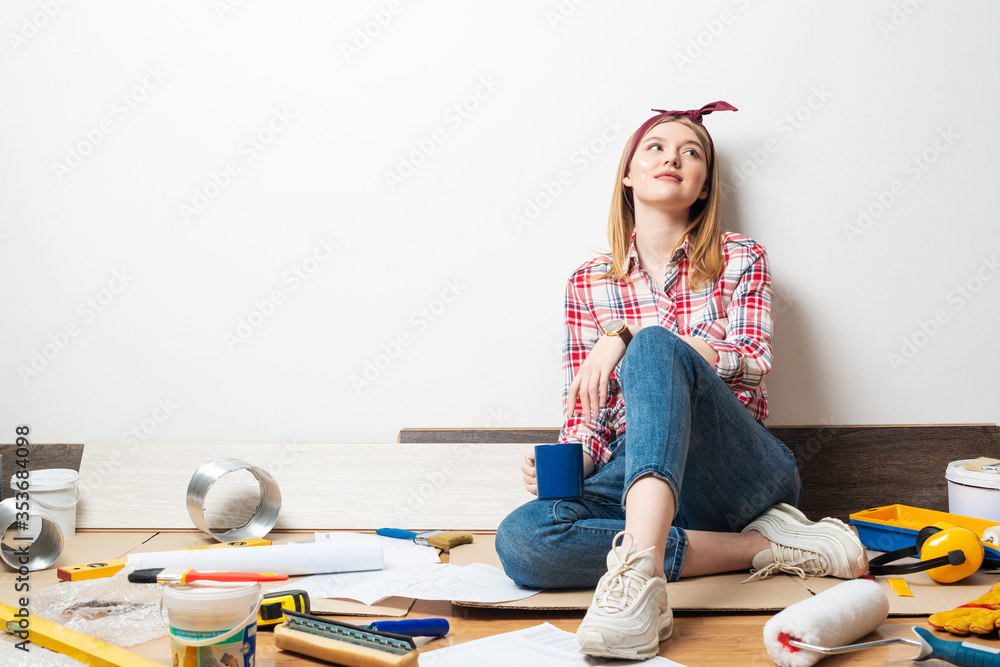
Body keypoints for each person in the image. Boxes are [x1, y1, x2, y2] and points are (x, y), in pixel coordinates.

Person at [494, 102, 868, 661]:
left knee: (651, 346)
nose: (673, 157)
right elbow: (586, 413)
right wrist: (576, 461)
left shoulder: (741, 256)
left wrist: (625, 336)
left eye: (690, 153)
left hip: (735, 471)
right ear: (627, 174)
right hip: (636, 470)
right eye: (656, 148)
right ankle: (765, 548)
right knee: (523, 541)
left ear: (702, 187)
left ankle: (639, 590)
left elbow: (753, 357)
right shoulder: (587, 282)